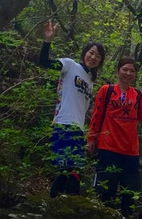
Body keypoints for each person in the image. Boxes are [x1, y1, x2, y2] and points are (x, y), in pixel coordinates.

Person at [86, 56, 142, 217]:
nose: (128, 73)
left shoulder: (138, 95)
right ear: (118, 71)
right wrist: (91, 139)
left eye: (132, 71)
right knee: (106, 189)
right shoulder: (106, 91)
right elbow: (96, 116)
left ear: (135, 74)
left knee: (129, 192)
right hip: (108, 147)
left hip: (130, 151)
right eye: (125, 69)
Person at [37, 21, 106, 197]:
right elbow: (45, 62)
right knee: (69, 168)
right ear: (85, 53)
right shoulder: (70, 65)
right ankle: (64, 204)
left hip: (77, 128)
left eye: (97, 56)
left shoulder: (90, 81)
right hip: (63, 123)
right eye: (91, 53)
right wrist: (47, 41)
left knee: (72, 169)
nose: (93, 57)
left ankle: (60, 204)